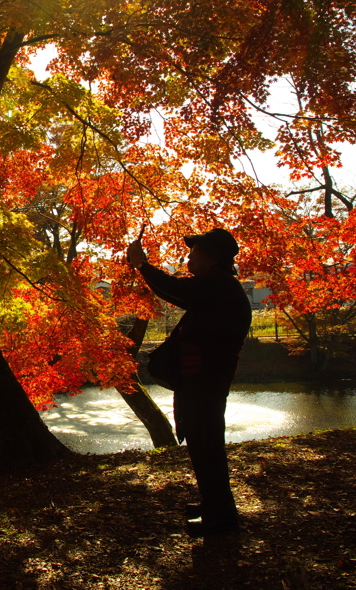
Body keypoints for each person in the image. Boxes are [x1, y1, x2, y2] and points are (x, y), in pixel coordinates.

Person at [126, 227, 252, 535]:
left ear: (211, 258)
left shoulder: (219, 285)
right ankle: (215, 505)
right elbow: (175, 292)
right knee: (202, 443)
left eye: (194, 251)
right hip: (201, 380)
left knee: (206, 443)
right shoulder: (215, 288)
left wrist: (143, 265)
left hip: (206, 381)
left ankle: (221, 515)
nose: (188, 256)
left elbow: (175, 289)